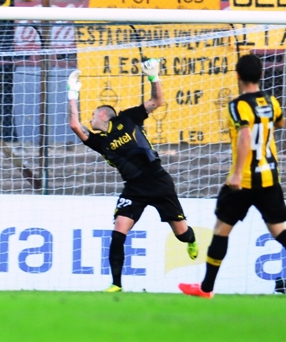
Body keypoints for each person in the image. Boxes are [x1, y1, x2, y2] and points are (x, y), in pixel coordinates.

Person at [67, 58, 199, 293]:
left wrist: (153, 76)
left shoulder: (128, 118)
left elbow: (158, 101)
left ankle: (191, 239)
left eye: (93, 115)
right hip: (134, 189)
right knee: (119, 231)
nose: (90, 119)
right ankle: (116, 283)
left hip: (158, 181)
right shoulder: (99, 142)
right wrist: (72, 94)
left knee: (181, 234)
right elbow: (75, 125)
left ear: (104, 115)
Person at [181, 55, 286, 299]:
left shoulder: (237, 106)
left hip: (246, 180)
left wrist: (238, 173)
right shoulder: (271, 102)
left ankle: (206, 289)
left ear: (237, 75)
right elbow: (280, 123)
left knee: (221, 229)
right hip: (270, 178)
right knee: (279, 230)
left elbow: (245, 137)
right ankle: (206, 288)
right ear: (261, 75)